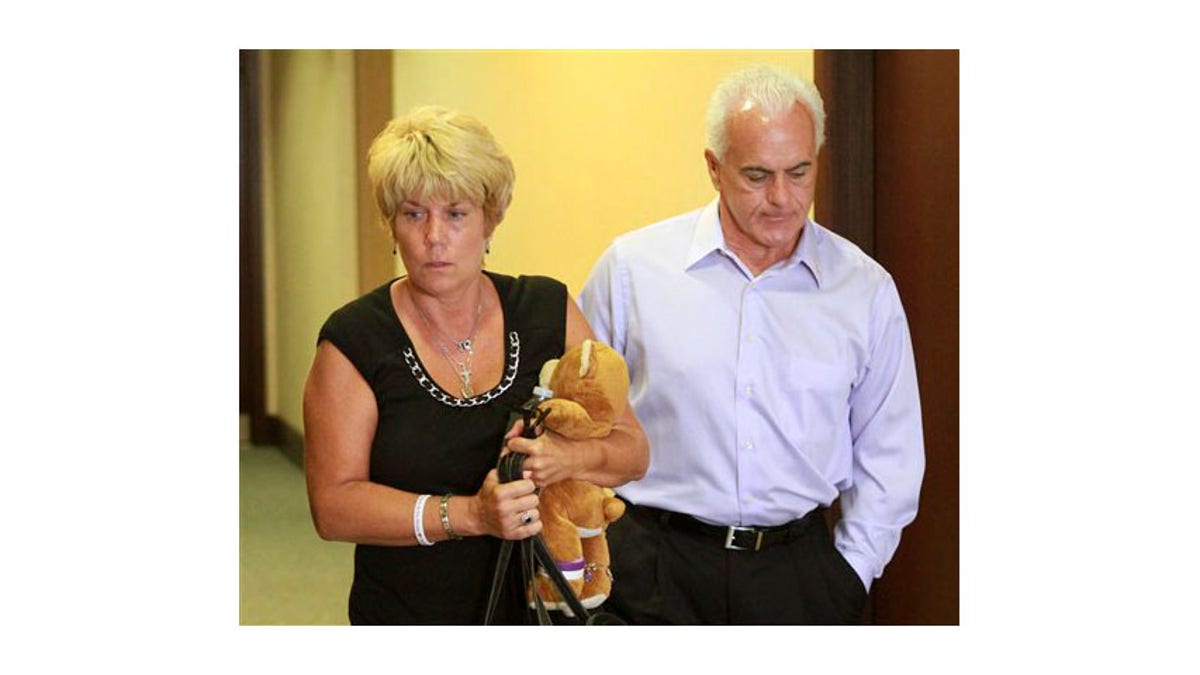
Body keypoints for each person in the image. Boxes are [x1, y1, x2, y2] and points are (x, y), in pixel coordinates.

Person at [580, 64, 925, 624]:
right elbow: (578, 418)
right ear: (714, 169)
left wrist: (850, 572)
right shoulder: (632, 271)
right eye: (758, 175)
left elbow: (892, 451)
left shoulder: (865, 290)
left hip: (799, 576)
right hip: (653, 569)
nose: (782, 199)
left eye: (799, 172)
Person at [303, 105, 649, 625]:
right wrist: (469, 515)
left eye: (456, 214)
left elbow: (633, 451)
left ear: (491, 218)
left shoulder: (548, 310)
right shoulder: (354, 341)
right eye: (414, 214)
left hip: (541, 614)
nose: (434, 236)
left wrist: (567, 459)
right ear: (391, 225)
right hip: (410, 615)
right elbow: (333, 506)